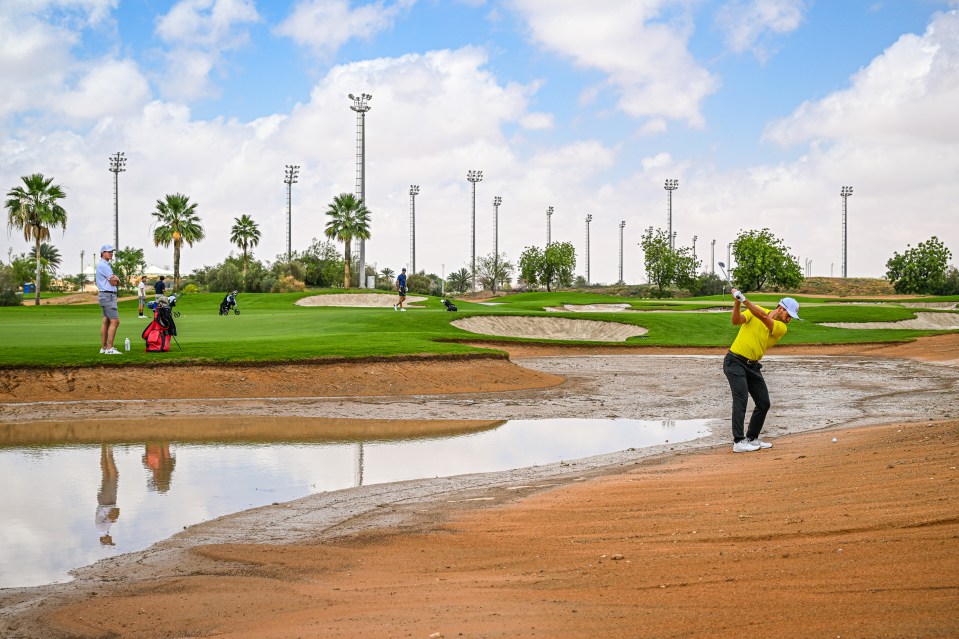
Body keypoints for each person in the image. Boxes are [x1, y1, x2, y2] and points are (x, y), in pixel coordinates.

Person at [723, 288, 802, 453]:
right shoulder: (755, 311)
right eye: (789, 315)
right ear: (781, 308)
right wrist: (737, 303)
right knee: (741, 399)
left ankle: (751, 438)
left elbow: (764, 317)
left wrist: (744, 300)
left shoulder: (780, 327)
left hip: (752, 366)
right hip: (735, 361)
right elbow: (736, 321)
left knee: (763, 402)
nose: (789, 320)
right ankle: (738, 441)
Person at [96, 244, 122, 355]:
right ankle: (110, 348)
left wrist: (116, 279)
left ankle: (104, 348)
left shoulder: (104, 265)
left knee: (106, 321)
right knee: (115, 321)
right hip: (108, 295)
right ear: (102, 253)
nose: (111, 253)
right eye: (108, 251)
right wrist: (118, 279)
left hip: (104, 295)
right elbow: (113, 281)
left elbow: (113, 280)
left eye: (112, 252)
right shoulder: (104, 265)